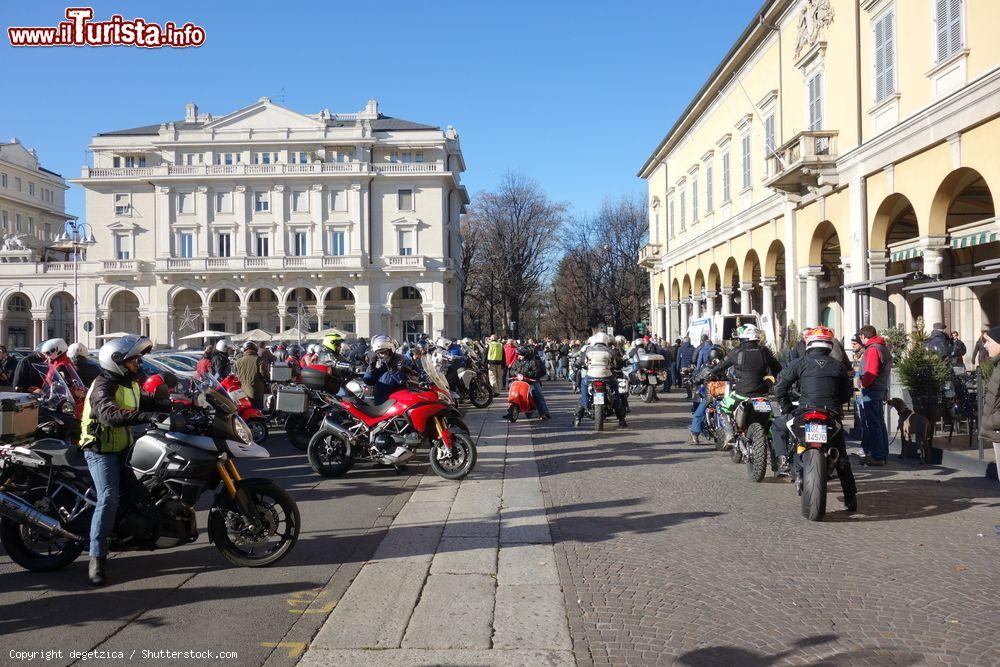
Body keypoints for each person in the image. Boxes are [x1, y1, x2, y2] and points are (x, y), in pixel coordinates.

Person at [79, 335, 165, 585]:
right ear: (117, 362)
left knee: (144, 488)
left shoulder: (129, 382)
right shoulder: (102, 386)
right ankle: (97, 559)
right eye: (132, 360)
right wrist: (147, 417)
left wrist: (178, 404)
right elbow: (109, 413)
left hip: (123, 447)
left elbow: (145, 402)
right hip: (99, 450)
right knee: (108, 497)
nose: (137, 363)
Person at [773, 326, 857, 510]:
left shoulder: (799, 363)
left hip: (804, 413)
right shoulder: (839, 366)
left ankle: (783, 461)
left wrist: (787, 408)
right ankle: (850, 499)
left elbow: (779, 389)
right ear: (829, 345)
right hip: (830, 415)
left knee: (778, 426)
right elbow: (845, 395)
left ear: (809, 343)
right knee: (841, 457)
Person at [574, 332, 627, 428]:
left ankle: (578, 419)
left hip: (591, 376)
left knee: (583, 388)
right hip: (607, 376)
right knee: (616, 393)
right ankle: (621, 420)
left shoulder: (588, 350)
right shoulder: (610, 350)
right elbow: (615, 363)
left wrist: (579, 365)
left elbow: (580, 362)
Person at [857, 324, 892, 466]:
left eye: (861, 337)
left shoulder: (872, 349)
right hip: (880, 388)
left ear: (863, 336)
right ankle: (883, 453)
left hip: (872, 390)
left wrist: (863, 383)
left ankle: (877, 456)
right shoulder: (883, 348)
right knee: (879, 422)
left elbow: (871, 371)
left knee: (873, 423)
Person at [688, 345, 727, 444]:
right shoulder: (726, 366)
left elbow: (697, 379)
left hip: (711, 396)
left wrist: (692, 380)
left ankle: (695, 436)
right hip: (725, 395)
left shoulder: (707, 367)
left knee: (698, 415)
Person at [506, 344, 551, 420]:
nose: (518, 356)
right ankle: (513, 407)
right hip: (519, 381)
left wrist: (525, 374)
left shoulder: (533, 361)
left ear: (525, 354)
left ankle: (544, 413)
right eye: (518, 355)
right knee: (512, 389)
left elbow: (536, 372)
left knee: (536, 393)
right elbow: (512, 370)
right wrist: (516, 374)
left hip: (531, 381)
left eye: (520, 355)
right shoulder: (517, 362)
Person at [363, 335, 412, 403]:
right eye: (380, 353)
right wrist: (371, 367)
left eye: (385, 352)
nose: (383, 355)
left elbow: (404, 380)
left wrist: (392, 368)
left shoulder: (401, 359)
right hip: (381, 399)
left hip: (398, 398)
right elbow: (368, 381)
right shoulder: (377, 362)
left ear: (390, 350)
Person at [978, 326, 1000, 441]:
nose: (985, 345)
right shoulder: (997, 365)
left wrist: (991, 422)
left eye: (989, 341)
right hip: (995, 433)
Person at [235, 341, 269, 408]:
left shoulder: (238, 361)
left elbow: (236, 374)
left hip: (243, 392)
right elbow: (264, 374)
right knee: (258, 411)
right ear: (255, 349)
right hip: (256, 391)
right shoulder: (258, 360)